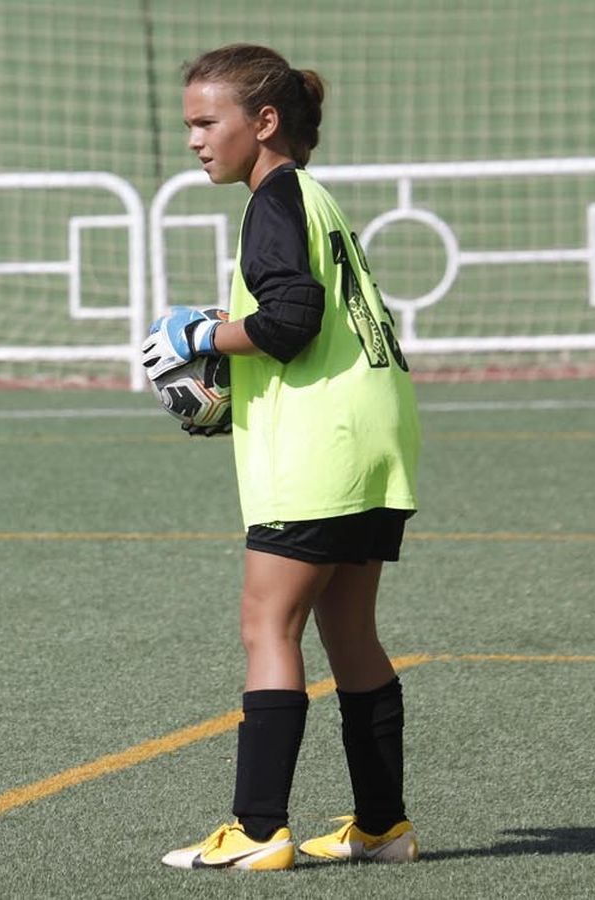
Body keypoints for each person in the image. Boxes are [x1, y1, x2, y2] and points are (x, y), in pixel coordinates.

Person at [142, 44, 422, 870]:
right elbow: (318, 324)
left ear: (263, 123)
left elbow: (290, 319)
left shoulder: (272, 201)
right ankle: (383, 827)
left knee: (268, 623)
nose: (194, 139)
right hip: (375, 437)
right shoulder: (315, 197)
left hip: (322, 449)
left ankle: (259, 830)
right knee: (350, 633)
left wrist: (200, 337)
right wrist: (229, 387)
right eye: (188, 123)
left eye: (206, 121)